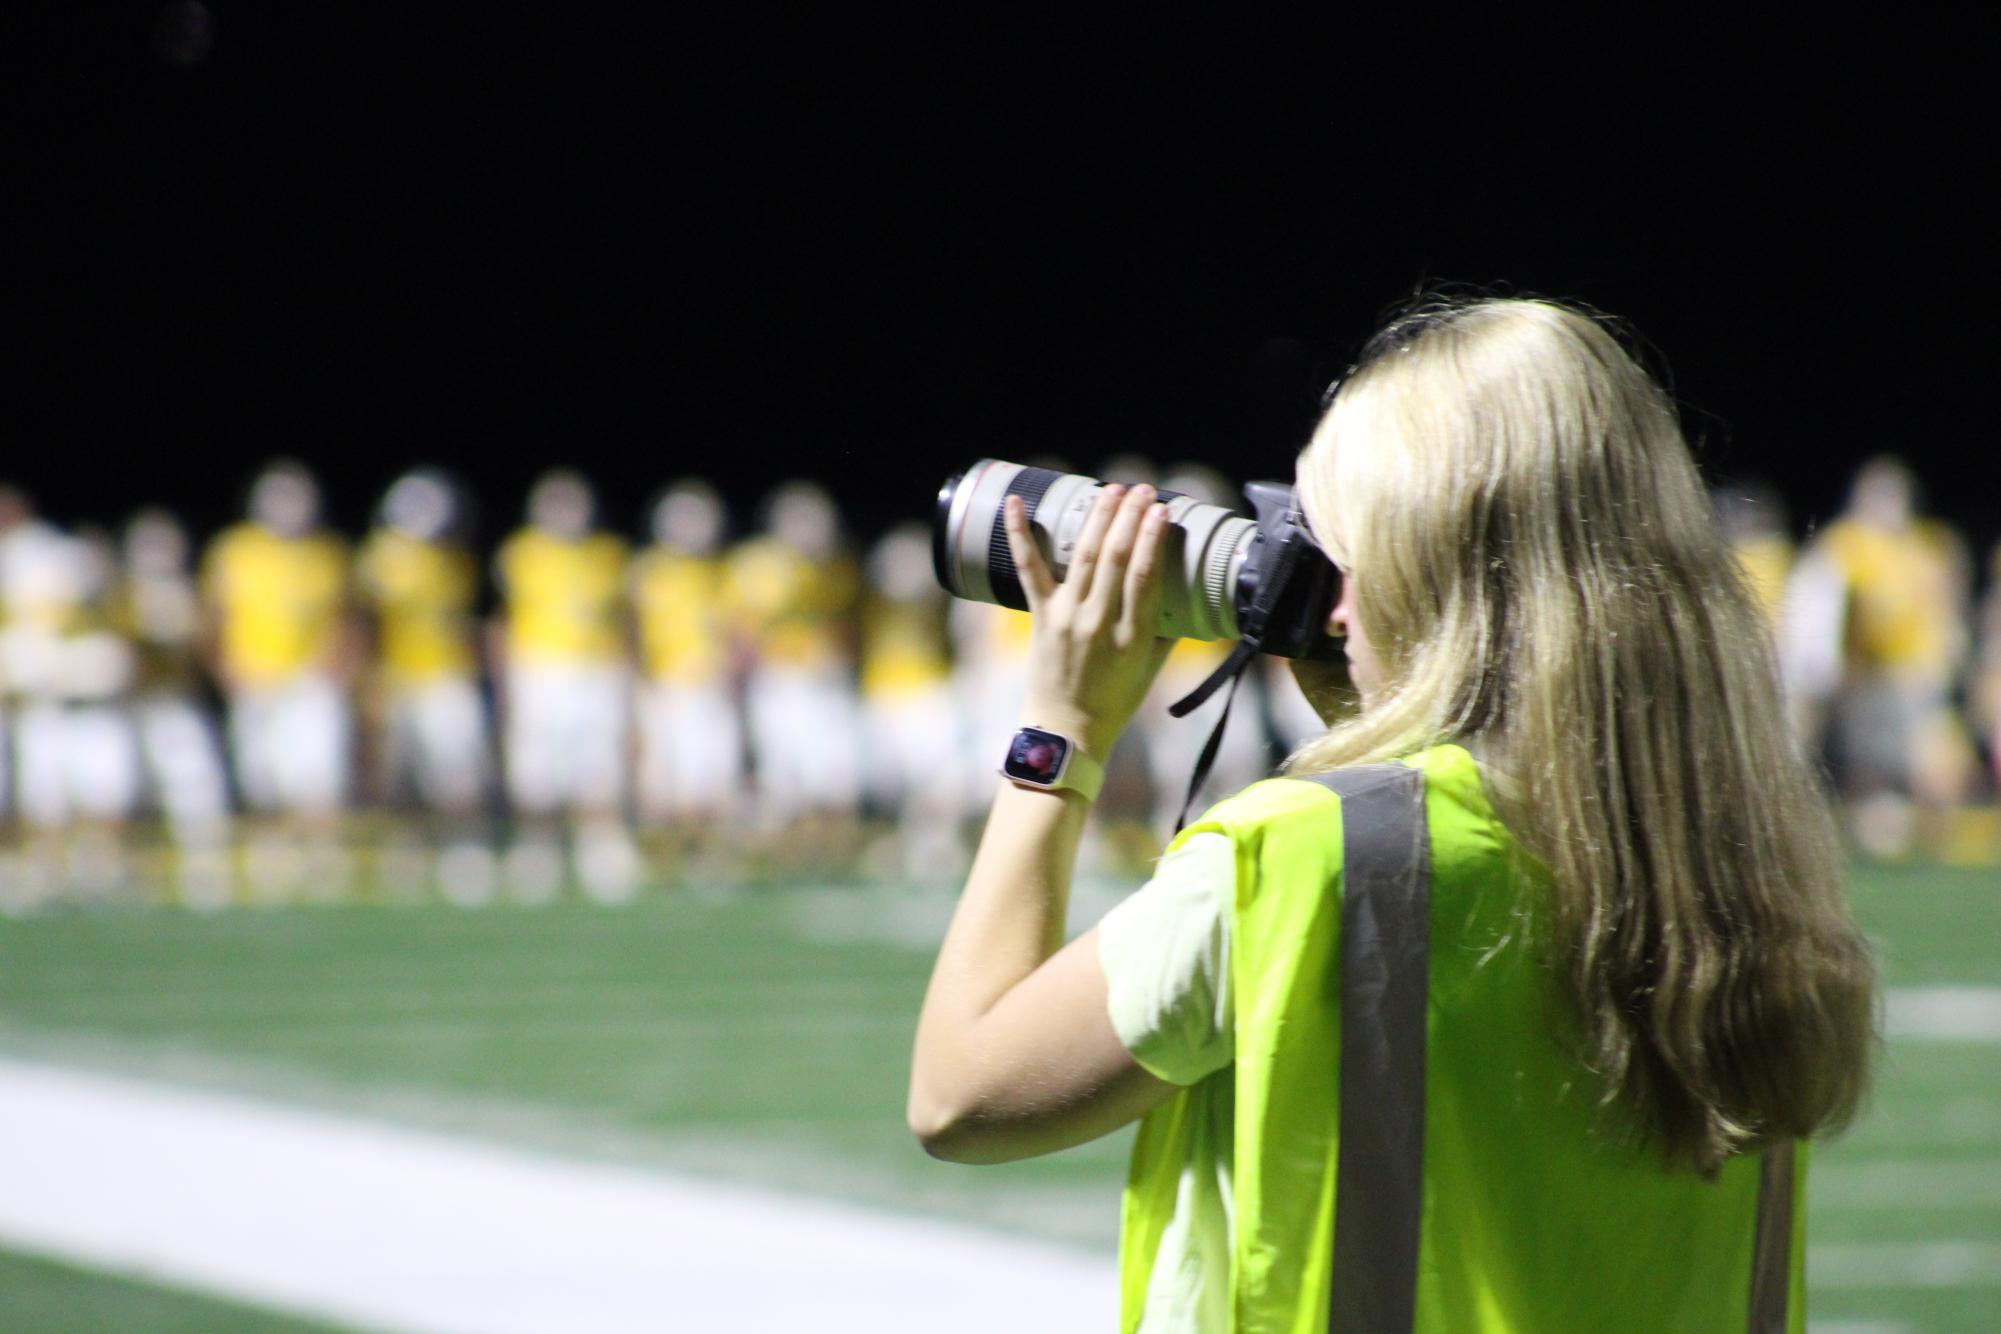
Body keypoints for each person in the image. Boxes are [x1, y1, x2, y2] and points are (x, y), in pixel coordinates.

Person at [909, 297, 1877, 1331]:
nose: (1324, 603)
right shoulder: (1736, 862)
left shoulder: (1310, 850)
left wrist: (1058, 738)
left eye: (1342, 554)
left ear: (1433, 573)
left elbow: (960, 1093)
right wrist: (1388, 712)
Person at [201, 462, 357, 899]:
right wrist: (224, 670)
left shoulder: (327, 552)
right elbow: (213, 617)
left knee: (319, 776)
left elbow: (348, 616)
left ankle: (322, 863)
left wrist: (337, 667)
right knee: (262, 777)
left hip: (310, 680)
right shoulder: (234, 550)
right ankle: (271, 861)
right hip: (257, 677)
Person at [492, 470, 638, 901]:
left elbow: (624, 621)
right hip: (540, 670)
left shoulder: (608, 554)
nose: (567, 515)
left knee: (598, 766)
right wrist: (505, 681)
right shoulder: (520, 553)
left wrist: (630, 678)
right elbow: (501, 620)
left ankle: (601, 853)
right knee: (537, 769)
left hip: (597, 669)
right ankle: (539, 853)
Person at [357, 469, 495, 902]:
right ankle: (406, 855)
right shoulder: (379, 560)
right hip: (398, 677)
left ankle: (464, 855)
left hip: (447, 677)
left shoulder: (456, 562)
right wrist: (368, 680)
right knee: (399, 776)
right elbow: (364, 625)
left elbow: (462, 626)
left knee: (459, 774)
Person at [630, 480, 746, 861]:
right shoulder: (647, 571)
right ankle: (664, 857)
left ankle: (706, 855)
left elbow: (736, 633)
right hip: (665, 686)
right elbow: (629, 632)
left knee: (710, 780)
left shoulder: (722, 572)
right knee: (664, 783)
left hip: (710, 688)